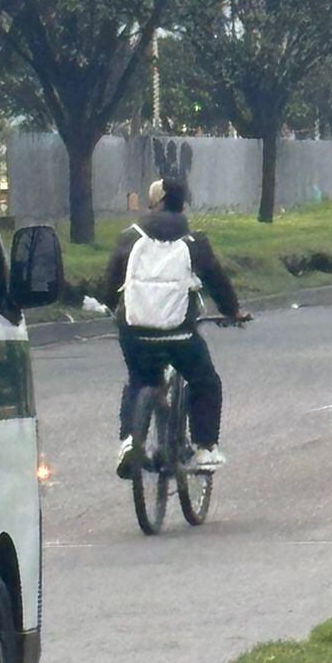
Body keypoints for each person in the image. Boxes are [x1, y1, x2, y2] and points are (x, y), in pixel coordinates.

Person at [104, 176, 249, 476]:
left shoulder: (129, 237)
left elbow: (110, 284)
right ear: (182, 205)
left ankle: (130, 441)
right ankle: (205, 448)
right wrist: (232, 311)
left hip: (135, 333)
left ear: (154, 204)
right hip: (180, 335)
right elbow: (217, 281)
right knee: (204, 381)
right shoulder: (194, 241)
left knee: (138, 380)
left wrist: (107, 306)